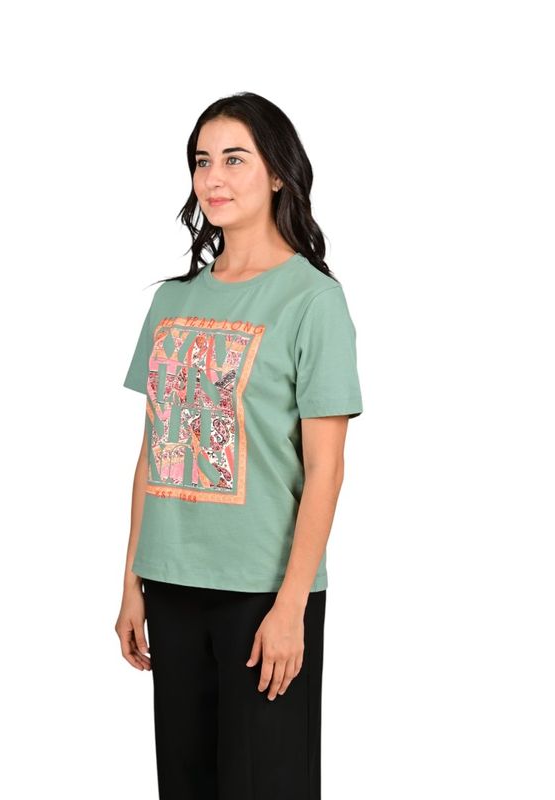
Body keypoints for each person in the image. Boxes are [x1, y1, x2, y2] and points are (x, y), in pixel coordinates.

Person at [114, 91, 364, 800]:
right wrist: (132, 580)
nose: (213, 178)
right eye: (202, 162)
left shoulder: (312, 301)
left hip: (261, 592)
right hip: (171, 584)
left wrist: (291, 607)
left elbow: (325, 470)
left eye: (234, 160)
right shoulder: (171, 302)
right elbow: (154, 449)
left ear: (278, 173)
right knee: (186, 786)